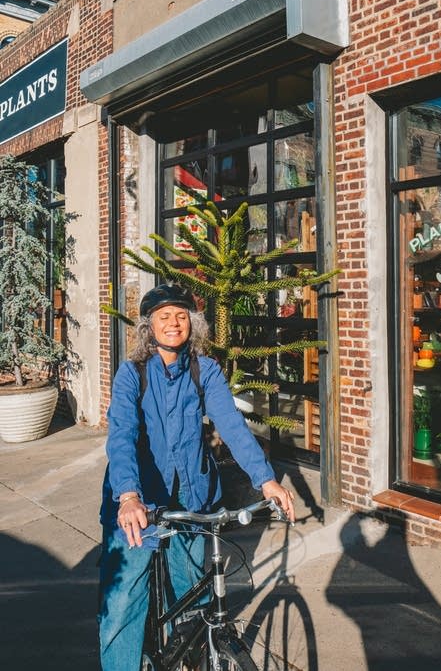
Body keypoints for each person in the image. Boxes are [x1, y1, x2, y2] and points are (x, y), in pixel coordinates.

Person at [97, 283, 295, 671]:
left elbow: (232, 426)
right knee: (123, 602)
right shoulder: (131, 374)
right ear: (149, 327)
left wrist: (265, 479)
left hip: (190, 498)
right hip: (138, 503)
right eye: (164, 317)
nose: (174, 323)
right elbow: (120, 435)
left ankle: (189, 659)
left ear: (193, 323)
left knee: (191, 598)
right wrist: (128, 496)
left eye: (182, 316)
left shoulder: (205, 370)